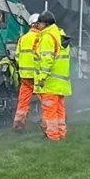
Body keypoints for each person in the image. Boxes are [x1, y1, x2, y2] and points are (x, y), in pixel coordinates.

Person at [33, 10, 71, 140]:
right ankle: (61, 134)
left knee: (49, 110)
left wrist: (42, 77)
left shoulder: (48, 37)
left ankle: (52, 136)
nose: (38, 26)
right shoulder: (60, 34)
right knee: (59, 109)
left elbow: (46, 60)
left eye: (39, 23)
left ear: (46, 24)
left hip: (50, 81)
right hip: (61, 81)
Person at [11, 13, 45, 132]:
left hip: (25, 77)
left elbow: (17, 57)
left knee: (23, 102)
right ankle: (48, 125)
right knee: (46, 101)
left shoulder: (22, 38)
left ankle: (18, 125)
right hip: (37, 76)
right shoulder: (41, 38)